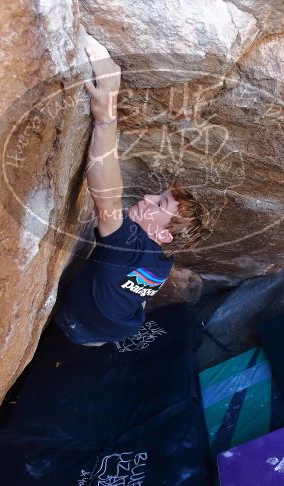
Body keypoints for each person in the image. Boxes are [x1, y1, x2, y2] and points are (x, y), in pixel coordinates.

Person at [53, 45, 207, 346]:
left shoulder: (129, 245)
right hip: (118, 329)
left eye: (160, 203)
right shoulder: (162, 262)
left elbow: (107, 198)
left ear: (164, 235)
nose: (148, 197)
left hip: (77, 326)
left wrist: (105, 118)